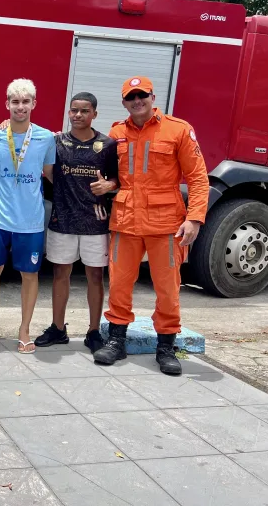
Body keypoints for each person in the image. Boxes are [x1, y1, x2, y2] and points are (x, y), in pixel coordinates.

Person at [93, 76, 209, 375]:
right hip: (126, 220)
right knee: (119, 283)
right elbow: (113, 175)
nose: (137, 101)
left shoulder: (178, 130)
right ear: (124, 102)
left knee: (168, 288)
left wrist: (194, 218)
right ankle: (117, 341)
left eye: (142, 95)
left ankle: (166, 347)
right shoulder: (116, 132)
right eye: (131, 97)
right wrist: (109, 185)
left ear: (153, 96)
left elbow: (197, 178)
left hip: (166, 224)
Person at [34, 92, 118, 353]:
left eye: (84, 111)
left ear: (94, 114)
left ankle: (93, 332)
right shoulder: (56, 142)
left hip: (96, 222)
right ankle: (58, 328)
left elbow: (119, 179)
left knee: (95, 276)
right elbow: (46, 169)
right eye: (74, 110)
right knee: (61, 274)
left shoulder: (107, 144)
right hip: (63, 220)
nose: (78, 115)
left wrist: (110, 185)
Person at [0, 80, 55, 353]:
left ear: (34, 104)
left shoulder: (46, 138)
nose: (20, 106)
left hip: (31, 221)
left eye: (26, 101)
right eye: (15, 101)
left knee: (29, 274)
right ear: (7, 105)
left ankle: (24, 330)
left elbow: (50, 174)